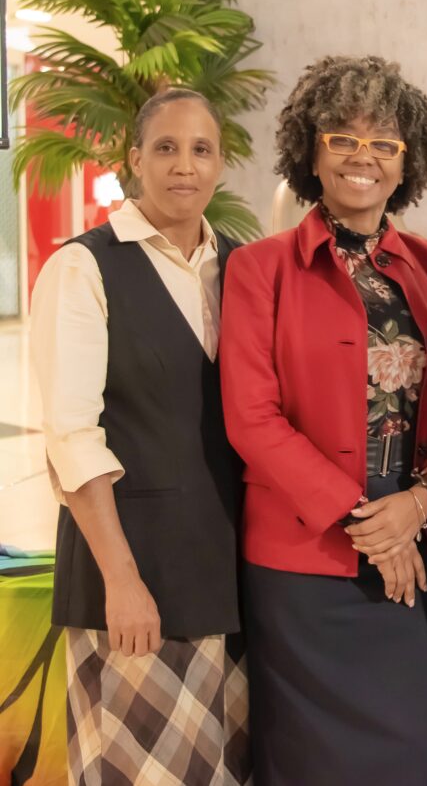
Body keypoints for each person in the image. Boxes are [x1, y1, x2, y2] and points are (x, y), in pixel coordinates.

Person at [219, 55, 427, 785]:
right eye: (342, 138)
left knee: (415, 751)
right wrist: (366, 523)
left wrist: (417, 504)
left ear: (406, 162)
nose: (364, 157)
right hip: (302, 565)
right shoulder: (258, 269)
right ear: (310, 150)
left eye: (384, 142)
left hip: (412, 553)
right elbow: (252, 420)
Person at [30, 88, 248, 785]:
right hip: (135, 579)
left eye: (201, 149)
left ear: (221, 163)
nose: (184, 165)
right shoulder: (84, 266)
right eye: (165, 147)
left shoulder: (243, 266)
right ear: (134, 161)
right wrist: (122, 580)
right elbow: (71, 439)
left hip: (232, 579)